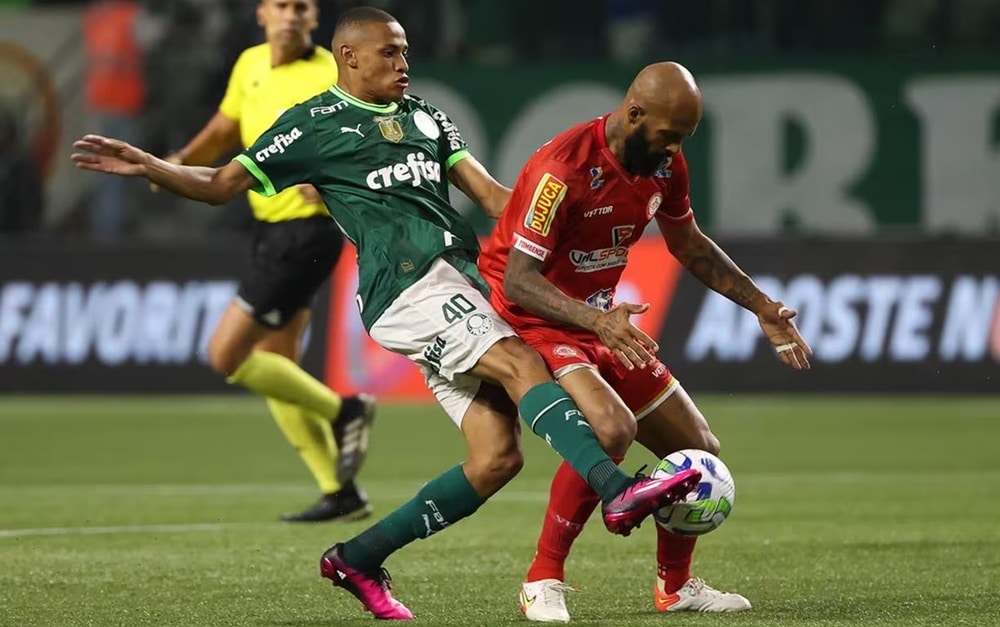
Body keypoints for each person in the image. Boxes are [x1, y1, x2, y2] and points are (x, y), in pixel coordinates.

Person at [71, 7, 703, 621]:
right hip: (403, 288)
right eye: (390, 52)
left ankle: (358, 558)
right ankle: (617, 489)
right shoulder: (312, 124)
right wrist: (153, 165)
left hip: (458, 283)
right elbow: (221, 185)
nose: (405, 62)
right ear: (348, 57)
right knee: (520, 361)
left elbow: (491, 195)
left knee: (495, 461)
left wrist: (557, 216)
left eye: (405, 50)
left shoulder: (426, 118)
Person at [478, 61, 813, 622]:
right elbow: (518, 280)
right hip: (533, 319)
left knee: (699, 451)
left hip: (599, 319)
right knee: (612, 429)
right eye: (667, 136)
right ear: (634, 114)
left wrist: (762, 307)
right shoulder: (561, 170)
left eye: (683, 139)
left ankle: (674, 588)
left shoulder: (665, 164)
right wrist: (595, 320)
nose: (674, 150)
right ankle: (542, 579)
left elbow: (691, 245)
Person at [150, 0, 375, 524]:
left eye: (302, 7)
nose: (291, 16)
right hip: (268, 227)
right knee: (278, 366)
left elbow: (363, 135)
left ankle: (346, 410)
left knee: (226, 355)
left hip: (307, 231)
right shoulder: (250, 64)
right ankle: (339, 492)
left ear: (315, 19)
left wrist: (338, 182)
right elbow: (226, 128)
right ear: (262, 14)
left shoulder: (330, 72)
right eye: (282, 6)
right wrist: (178, 164)